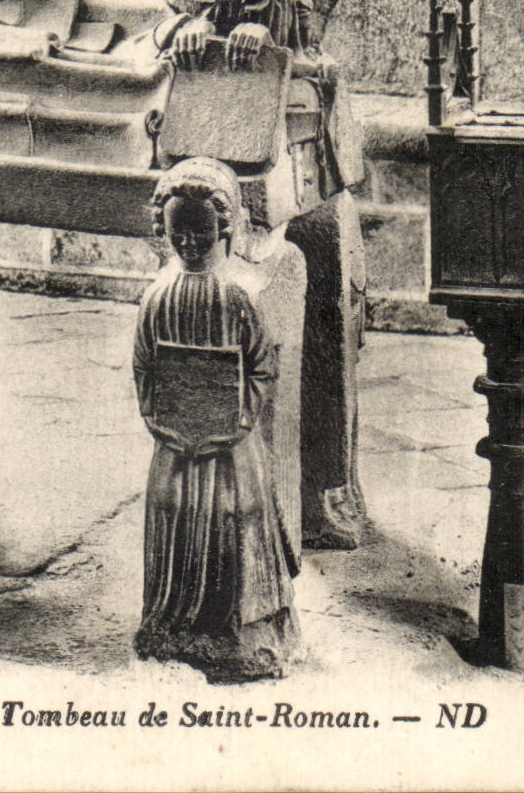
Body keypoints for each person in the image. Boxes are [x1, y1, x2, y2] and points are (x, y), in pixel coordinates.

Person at [132, 157, 299, 681]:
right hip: (175, 445)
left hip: (231, 451)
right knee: (172, 513)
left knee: (234, 519)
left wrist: (237, 424)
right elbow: (145, 369)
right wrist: (162, 422)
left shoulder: (240, 296)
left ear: (225, 228)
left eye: (200, 230)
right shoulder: (157, 297)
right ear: (164, 231)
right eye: (178, 231)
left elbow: (262, 369)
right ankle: (173, 621)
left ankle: (240, 630)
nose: (189, 241)